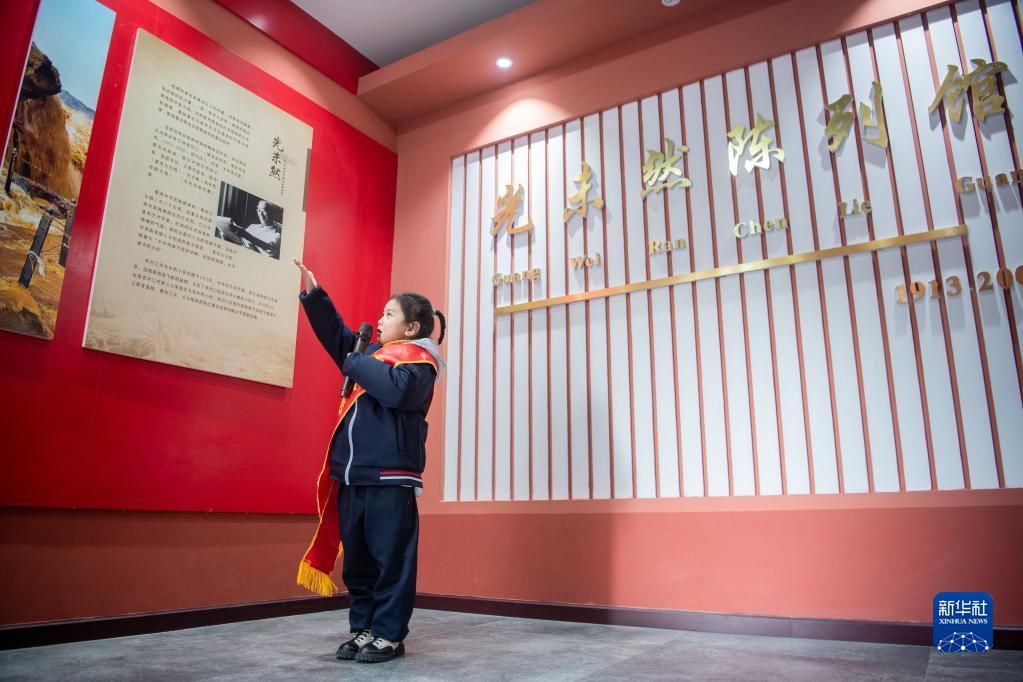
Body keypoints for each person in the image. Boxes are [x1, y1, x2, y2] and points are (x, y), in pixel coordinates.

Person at [293, 258, 446, 664]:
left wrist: (357, 360)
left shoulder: (419, 362)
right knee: (357, 563)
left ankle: (388, 635)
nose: (379, 320)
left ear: (412, 328)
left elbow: (396, 392)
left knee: (391, 561)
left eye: (389, 314)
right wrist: (314, 295)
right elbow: (338, 338)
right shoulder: (372, 355)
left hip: (390, 478)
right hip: (352, 475)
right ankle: (363, 628)